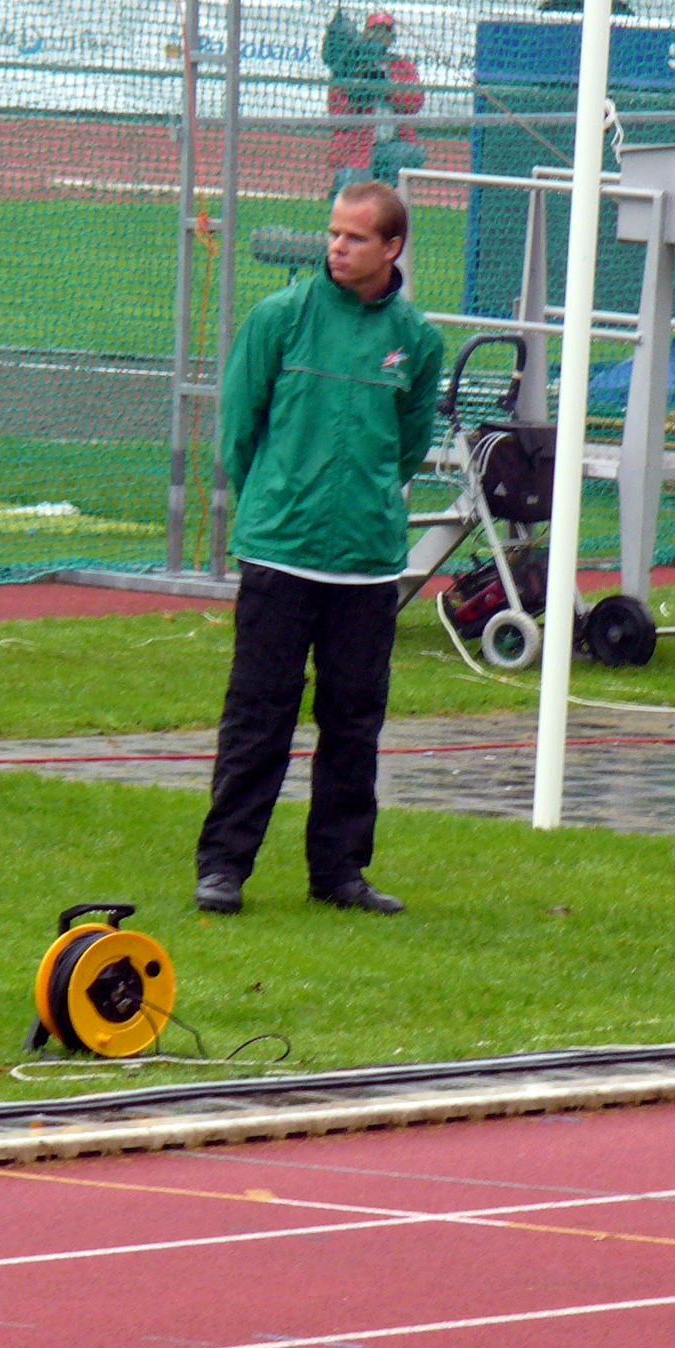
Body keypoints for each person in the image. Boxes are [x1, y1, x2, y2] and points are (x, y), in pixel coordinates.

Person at [194, 181, 444, 916]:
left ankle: (338, 873)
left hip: (366, 563)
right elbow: (240, 430)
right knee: (258, 713)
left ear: (392, 248)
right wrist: (276, 502)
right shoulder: (281, 316)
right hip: (279, 553)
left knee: (354, 720)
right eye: (333, 233)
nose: (337, 247)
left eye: (355, 237)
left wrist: (361, 505)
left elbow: (408, 445)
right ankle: (224, 868)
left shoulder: (418, 340)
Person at [323, 9, 426, 196]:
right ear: (366, 33)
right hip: (355, 147)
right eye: (376, 30)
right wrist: (361, 90)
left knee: (413, 154)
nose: (381, 36)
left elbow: (415, 102)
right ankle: (342, 191)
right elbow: (337, 112)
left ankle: (384, 195)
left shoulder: (400, 66)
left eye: (386, 31)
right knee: (353, 198)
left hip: (389, 147)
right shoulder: (348, 66)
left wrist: (386, 88)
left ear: (392, 37)